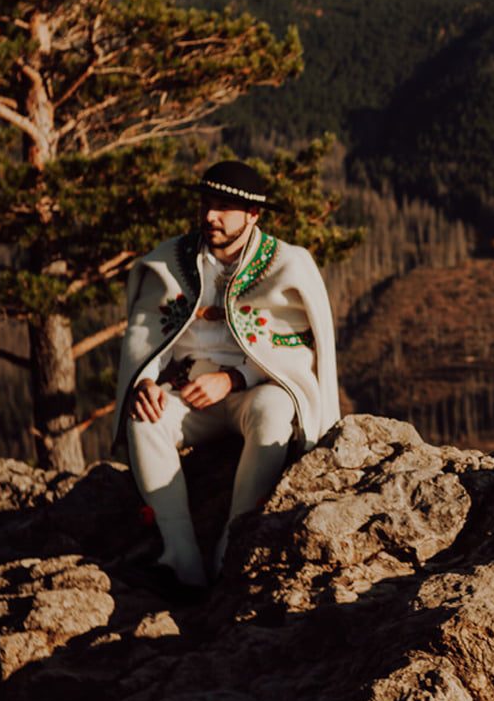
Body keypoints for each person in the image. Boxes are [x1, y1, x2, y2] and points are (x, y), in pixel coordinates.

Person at [115, 160, 341, 592]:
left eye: (224, 207)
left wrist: (235, 378)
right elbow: (145, 335)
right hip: (183, 394)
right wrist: (144, 380)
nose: (209, 216)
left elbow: (302, 349)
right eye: (206, 204)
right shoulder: (168, 262)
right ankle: (179, 558)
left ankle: (232, 548)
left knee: (275, 412)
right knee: (144, 418)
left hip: (252, 393)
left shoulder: (289, 266)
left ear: (253, 215)